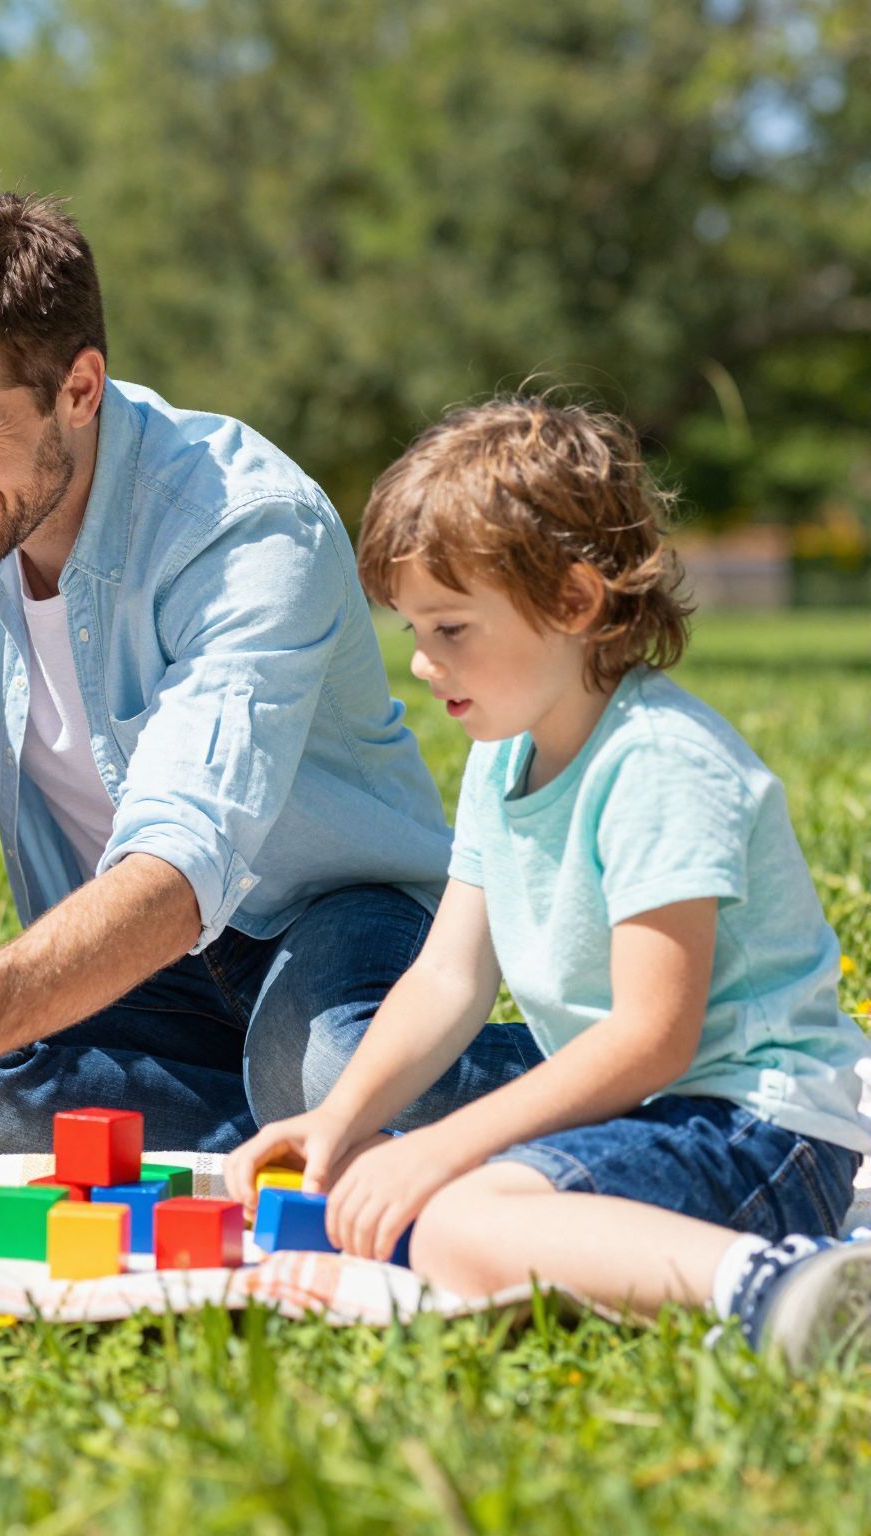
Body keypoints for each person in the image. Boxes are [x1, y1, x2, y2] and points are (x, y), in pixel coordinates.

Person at [0, 193, 535, 1158]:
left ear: (79, 387)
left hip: (330, 920)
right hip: (128, 967)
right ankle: (292, 1129)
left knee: (322, 1068)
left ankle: (636, 1071)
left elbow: (185, 857)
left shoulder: (248, 523)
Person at [224, 398, 871, 1365]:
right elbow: (447, 980)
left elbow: (655, 1038)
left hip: (764, 1129)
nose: (420, 659)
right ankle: (710, 1267)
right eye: (413, 626)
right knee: (420, 1200)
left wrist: (445, 1144)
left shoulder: (659, 764)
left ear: (573, 602)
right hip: (656, 1119)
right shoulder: (502, 756)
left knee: (444, 1216)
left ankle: (778, 1285)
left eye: (450, 627)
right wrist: (337, 1117)